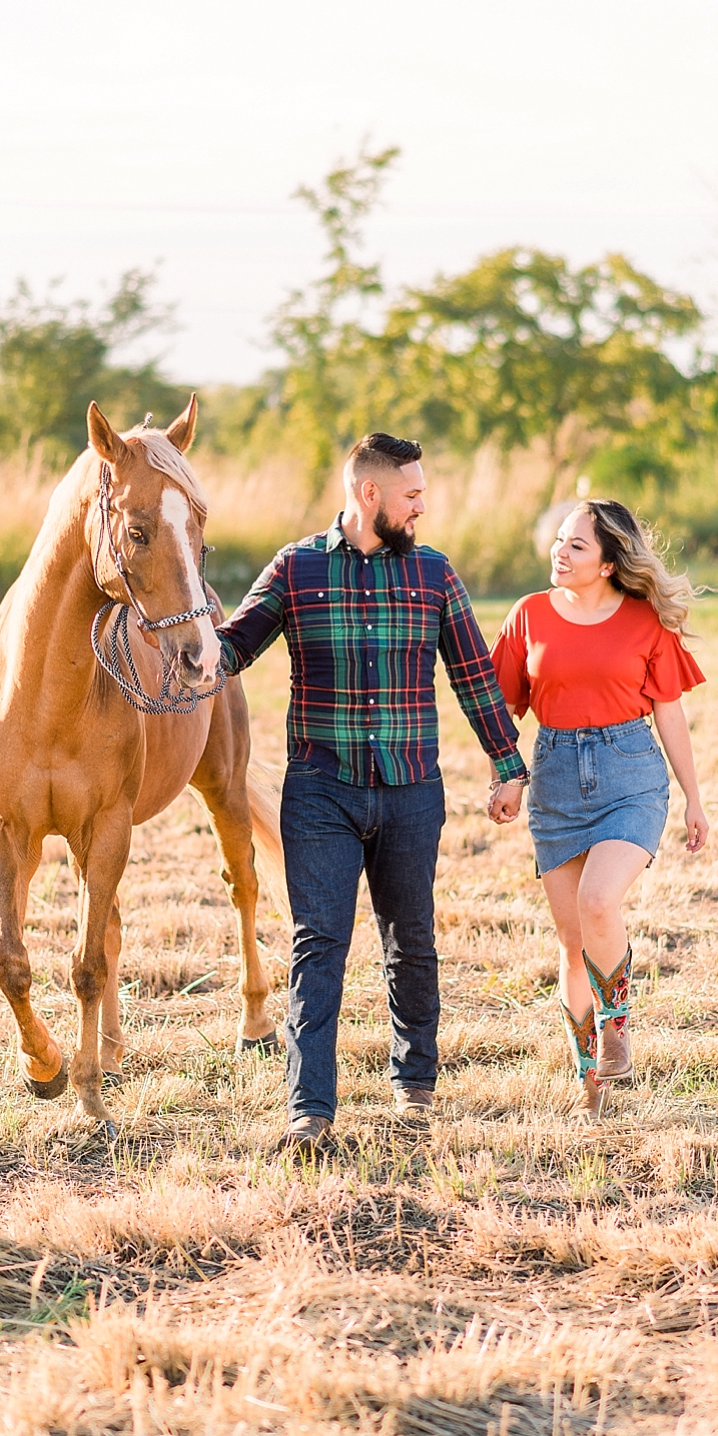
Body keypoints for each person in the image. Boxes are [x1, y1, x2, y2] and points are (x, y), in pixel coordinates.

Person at [215, 433, 528, 1152]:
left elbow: (474, 677)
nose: (422, 506)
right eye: (411, 495)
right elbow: (232, 648)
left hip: (411, 788)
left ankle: (413, 1085)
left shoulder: (434, 574)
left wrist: (507, 764)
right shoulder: (296, 569)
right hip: (321, 789)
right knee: (316, 943)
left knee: (409, 939)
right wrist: (186, 642)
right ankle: (309, 1110)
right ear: (370, 494)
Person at [488, 500, 708, 1122]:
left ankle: (618, 1026)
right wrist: (507, 778)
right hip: (555, 779)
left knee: (597, 902)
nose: (560, 551)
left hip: (630, 776)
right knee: (570, 942)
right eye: (558, 540)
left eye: (576, 546)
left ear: (609, 562)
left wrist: (694, 798)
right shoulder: (527, 615)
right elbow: (504, 710)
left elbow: (669, 712)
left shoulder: (644, 621)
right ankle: (591, 1082)